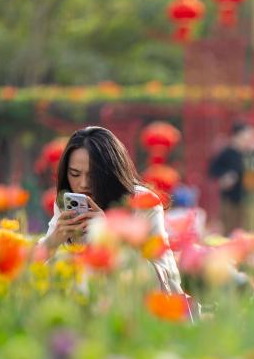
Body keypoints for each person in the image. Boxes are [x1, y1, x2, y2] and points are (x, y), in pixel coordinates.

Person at [39, 126, 183, 294]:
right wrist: (53, 242)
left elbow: (165, 277)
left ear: (111, 172)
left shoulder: (141, 203)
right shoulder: (68, 203)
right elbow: (34, 270)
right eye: (75, 174)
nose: (83, 184)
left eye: (93, 175)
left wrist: (110, 234)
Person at [208, 122, 254, 235]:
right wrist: (225, 176)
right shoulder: (228, 152)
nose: (251, 139)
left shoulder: (253, 153)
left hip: (250, 198)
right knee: (230, 227)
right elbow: (213, 170)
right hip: (231, 198)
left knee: (250, 227)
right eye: (248, 136)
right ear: (237, 136)